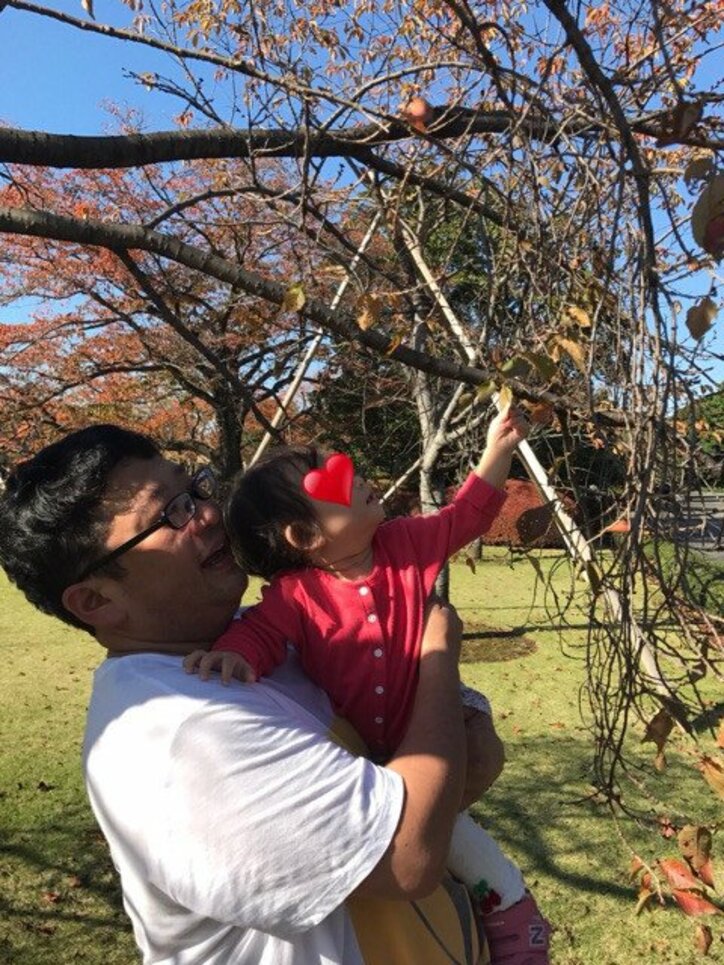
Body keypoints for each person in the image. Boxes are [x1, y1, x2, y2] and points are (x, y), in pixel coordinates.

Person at [0, 423, 507, 965]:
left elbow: (460, 762)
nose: (208, 513)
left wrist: (458, 728)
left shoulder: (253, 644)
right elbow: (409, 854)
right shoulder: (181, 735)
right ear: (98, 601)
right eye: (170, 513)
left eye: (195, 488)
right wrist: (437, 655)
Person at [186, 406, 550, 964]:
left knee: (466, 801)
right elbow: (259, 633)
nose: (354, 473)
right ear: (304, 535)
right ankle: (482, 891)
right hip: (377, 759)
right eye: (331, 478)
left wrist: (497, 450)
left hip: (433, 722)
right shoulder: (297, 596)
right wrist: (233, 656)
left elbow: (468, 515)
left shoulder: (405, 543)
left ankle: (515, 915)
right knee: (439, 832)